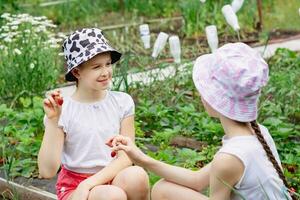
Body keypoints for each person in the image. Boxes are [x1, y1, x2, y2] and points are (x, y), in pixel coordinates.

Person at [107, 43, 294, 200]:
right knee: (163, 189)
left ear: (214, 99)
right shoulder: (257, 133)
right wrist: (140, 157)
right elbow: (197, 180)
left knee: (164, 191)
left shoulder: (229, 158)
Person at [38, 28, 150, 200]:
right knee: (112, 196)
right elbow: (47, 171)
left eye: (107, 64)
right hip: (75, 188)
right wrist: (54, 121)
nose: (105, 72)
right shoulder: (63, 109)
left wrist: (89, 183)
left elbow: (126, 157)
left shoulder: (122, 102)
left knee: (137, 176)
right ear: (77, 72)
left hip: (110, 177)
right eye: (96, 67)